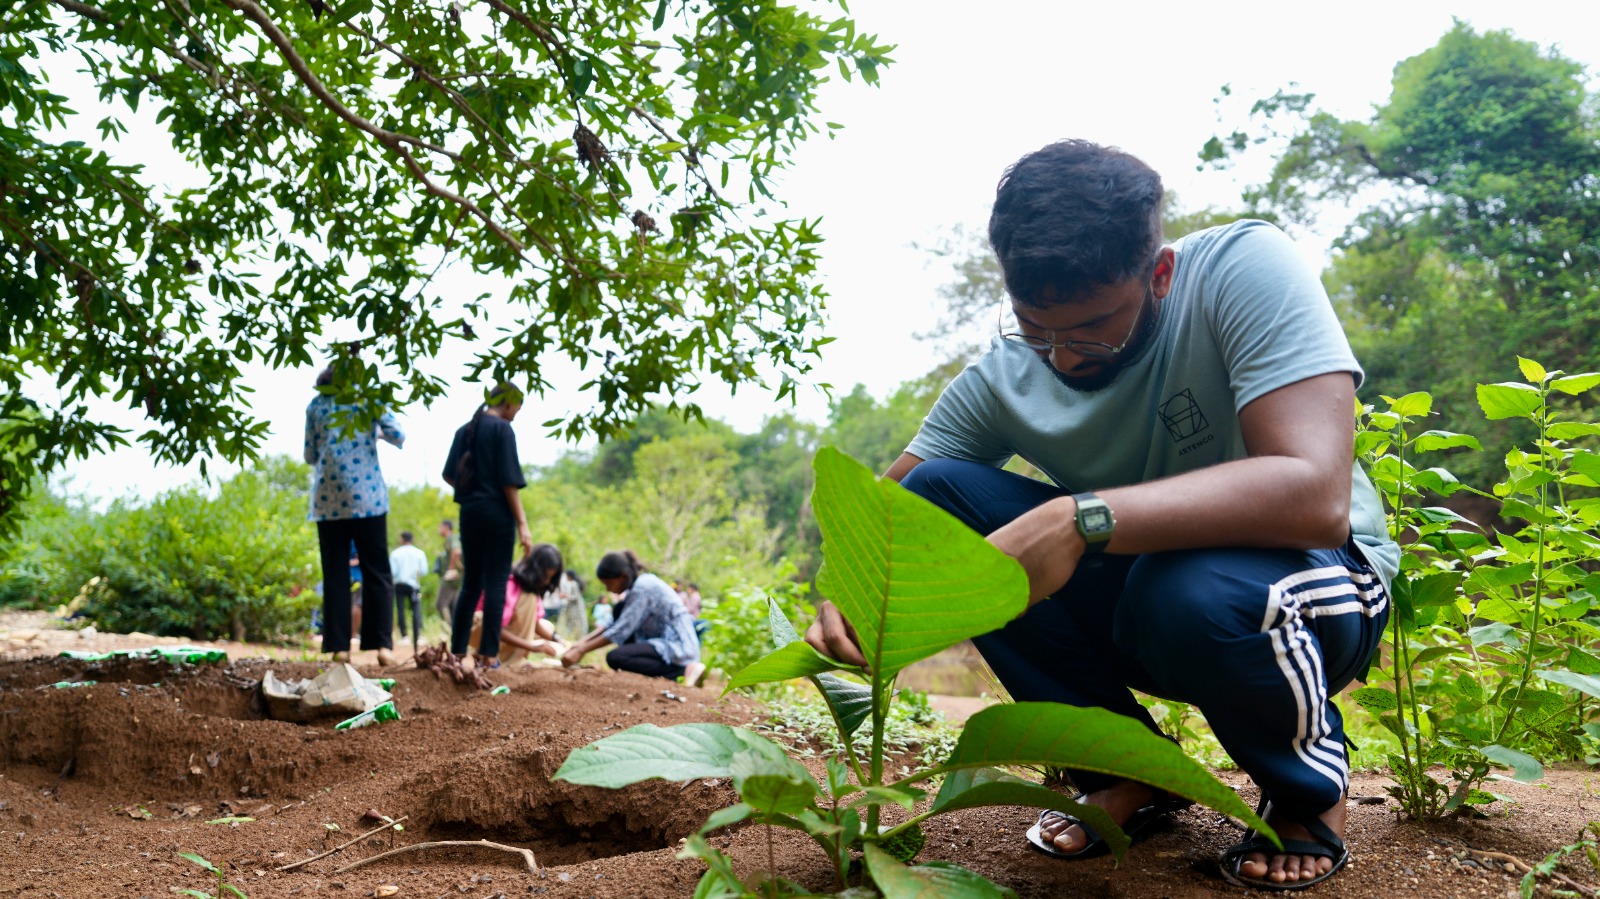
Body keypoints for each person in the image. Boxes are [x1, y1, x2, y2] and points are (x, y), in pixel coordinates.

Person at [803, 140, 1396, 891]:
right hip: (1151, 605)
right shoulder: (1007, 372)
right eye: (1035, 326)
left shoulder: (1242, 267)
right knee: (943, 498)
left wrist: (1079, 518)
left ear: (1159, 274)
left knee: (1186, 587)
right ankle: (1128, 770)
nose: (1064, 358)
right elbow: (890, 509)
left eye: (1093, 328)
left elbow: (1315, 497)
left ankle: (1309, 792)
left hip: (1313, 592)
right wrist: (846, 588)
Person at [304, 366, 404, 667]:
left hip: (327, 501)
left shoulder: (316, 405)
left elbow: (310, 455)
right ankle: (382, 645)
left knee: (335, 574)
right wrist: (374, 433)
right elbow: (397, 434)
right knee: (377, 572)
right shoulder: (368, 401)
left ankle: (339, 647)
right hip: (368, 499)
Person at [443, 382, 534, 669]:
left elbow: (448, 476)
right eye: (517, 408)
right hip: (498, 514)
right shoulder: (502, 430)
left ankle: (457, 652)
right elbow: (509, 481)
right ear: (508, 403)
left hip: (470, 513)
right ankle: (487, 654)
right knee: (496, 582)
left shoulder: (464, 430)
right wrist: (523, 524)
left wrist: (473, 491)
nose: (517, 415)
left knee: (471, 583)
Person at [561, 550, 704, 686]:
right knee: (618, 614)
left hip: (676, 645)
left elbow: (621, 629)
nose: (608, 589)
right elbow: (611, 624)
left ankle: (684, 670)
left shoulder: (644, 587)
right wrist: (580, 644)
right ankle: (680, 670)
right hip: (659, 643)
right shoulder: (634, 590)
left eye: (609, 584)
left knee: (616, 657)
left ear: (623, 576)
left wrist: (582, 650)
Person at [467, 544, 568, 665]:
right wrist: (531, 646)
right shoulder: (509, 584)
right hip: (483, 629)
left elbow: (535, 623)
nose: (546, 582)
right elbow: (494, 627)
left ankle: (514, 660)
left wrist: (559, 640)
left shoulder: (531, 590)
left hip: (501, 632)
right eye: (545, 576)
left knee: (547, 626)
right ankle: (493, 659)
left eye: (550, 578)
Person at [389, 530, 430, 654]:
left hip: (399, 584)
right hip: (414, 585)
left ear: (402, 539)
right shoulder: (419, 553)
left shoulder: (395, 553)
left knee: (401, 609)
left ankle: (404, 636)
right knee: (416, 609)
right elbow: (424, 571)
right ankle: (418, 634)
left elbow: (393, 572)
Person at [434, 519, 463, 621]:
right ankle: (455, 631)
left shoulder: (452, 538)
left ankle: (449, 631)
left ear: (446, 527)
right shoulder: (449, 540)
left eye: (440, 526)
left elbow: (457, 551)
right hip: (455, 578)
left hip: (451, 578)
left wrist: (451, 569)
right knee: (452, 606)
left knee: (440, 604)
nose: (438, 529)